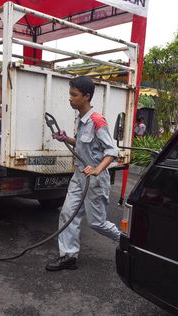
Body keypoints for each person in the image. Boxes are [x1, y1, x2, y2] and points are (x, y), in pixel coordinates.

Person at [46, 76, 121, 271]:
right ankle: (68, 256)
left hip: (94, 180)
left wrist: (97, 169)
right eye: (70, 94)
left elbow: (111, 151)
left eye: (74, 95)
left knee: (97, 223)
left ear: (86, 96)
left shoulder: (97, 120)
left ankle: (126, 241)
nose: (70, 99)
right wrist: (66, 138)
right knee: (67, 214)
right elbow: (82, 144)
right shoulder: (82, 119)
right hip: (78, 177)